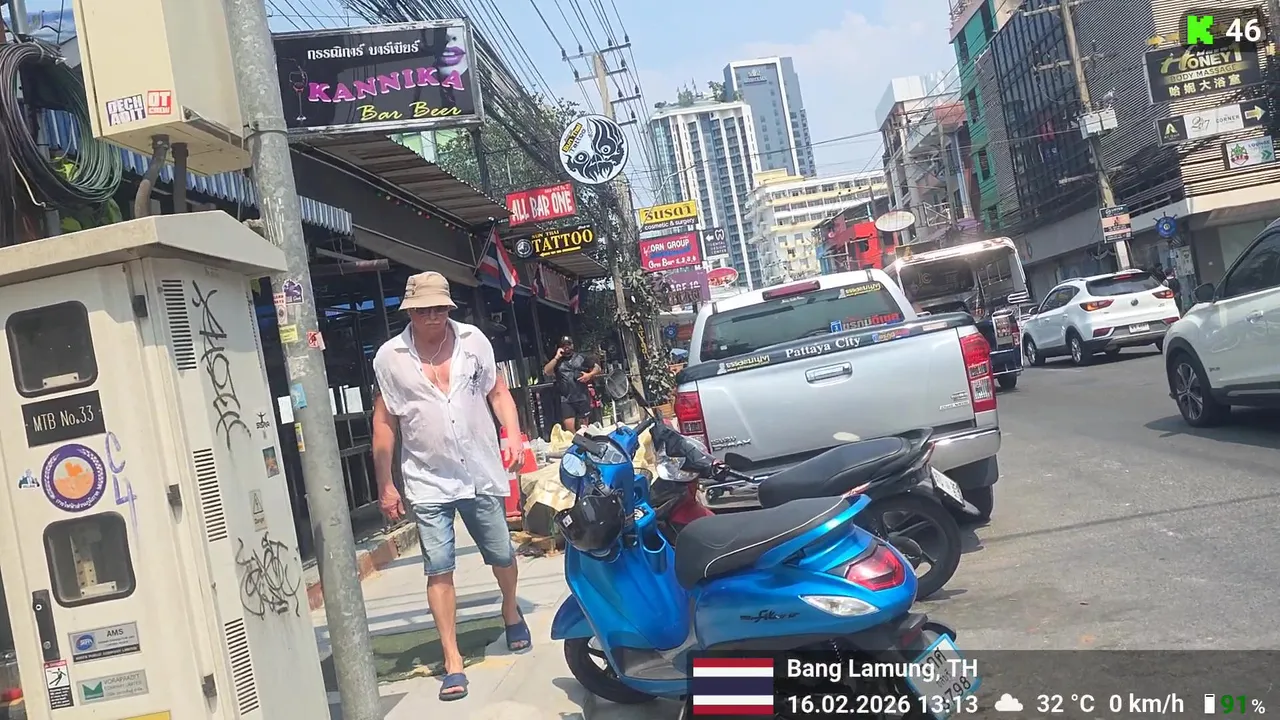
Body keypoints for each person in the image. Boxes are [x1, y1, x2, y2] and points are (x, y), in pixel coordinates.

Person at [370, 271, 526, 702]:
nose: (433, 316)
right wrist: (386, 483)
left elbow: (498, 392)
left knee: (501, 553)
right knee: (438, 567)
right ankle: (452, 658)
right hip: (427, 478)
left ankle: (510, 609)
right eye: (424, 310)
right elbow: (385, 423)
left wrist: (513, 434)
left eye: (439, 308)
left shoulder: (474, 341)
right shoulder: (389, 357)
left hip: (478, 469)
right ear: (410, 311)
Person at [542, 335, 602, 432]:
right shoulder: (557, 361)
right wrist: (556, 357)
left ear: (572, 345)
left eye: (568, 344)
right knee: (569, 427)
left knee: (584, 427)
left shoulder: (581, 357)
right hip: (566, 398)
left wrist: (589, 375)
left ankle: (584, 439)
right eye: (563, 345)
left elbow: (598, 368)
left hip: (581, 396)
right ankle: (574, 440)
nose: (566, 347)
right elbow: (547, 371)